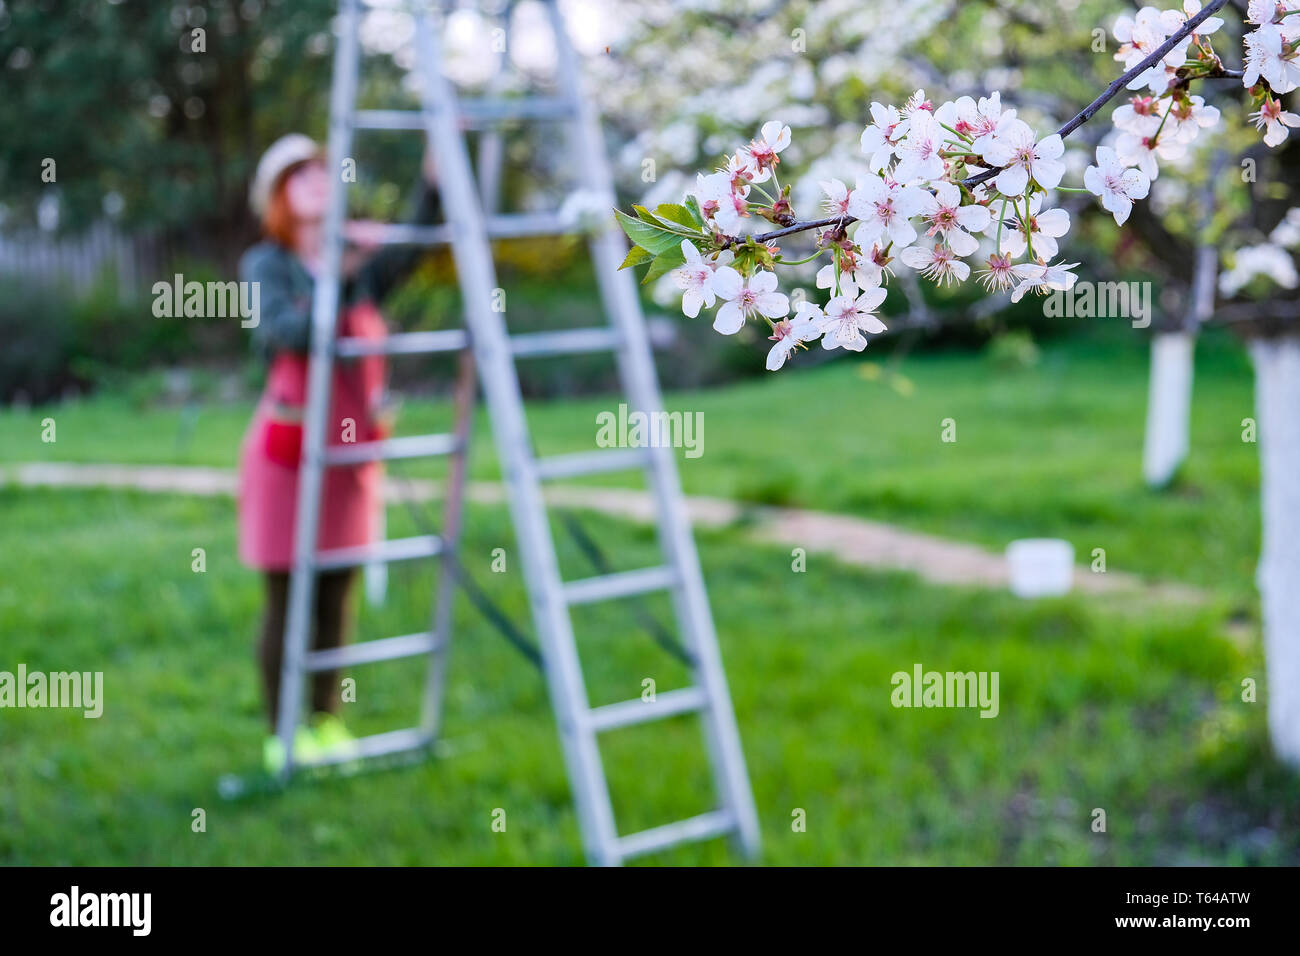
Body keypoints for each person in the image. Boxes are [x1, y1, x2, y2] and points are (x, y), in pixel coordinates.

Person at [237, 133, 441, 773]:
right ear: (278, 198)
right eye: (299, 176)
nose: (317, 182)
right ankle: (280, 734)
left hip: (349, 458)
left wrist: (431, 185)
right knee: (286, 596)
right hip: (290, 457)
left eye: (322, 172)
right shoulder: (266, 265)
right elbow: (283, 331)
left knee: (336, 596)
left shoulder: (357, 258)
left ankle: (326, 724)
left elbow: (410, 252)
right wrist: (342, 273)